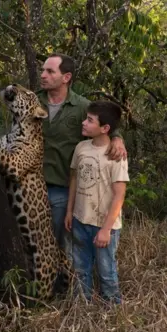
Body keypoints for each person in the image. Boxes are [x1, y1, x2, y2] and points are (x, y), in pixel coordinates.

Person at [37, 53, 127, 256]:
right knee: (33, 238)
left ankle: (67, 283)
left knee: (62, 242)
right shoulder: (32, 101)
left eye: (50, 71)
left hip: (61, 186)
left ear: (66, 77)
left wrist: (117, 138)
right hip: (31, 185)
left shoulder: (81, 106)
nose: (43, 75)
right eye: (43, 70)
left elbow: (106, 124)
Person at [64, 101, 129, 304]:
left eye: (90, 120)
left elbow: (119, 195)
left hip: (104, 225)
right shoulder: (81, 148)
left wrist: (106, 230)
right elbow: (74, 179)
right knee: (81, 268)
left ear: (105, 128)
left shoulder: (116, 155)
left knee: (106, 270)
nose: (83, 123)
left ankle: (113, 309)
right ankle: (82, 307)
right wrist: (69, 212)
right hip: (80, 220)